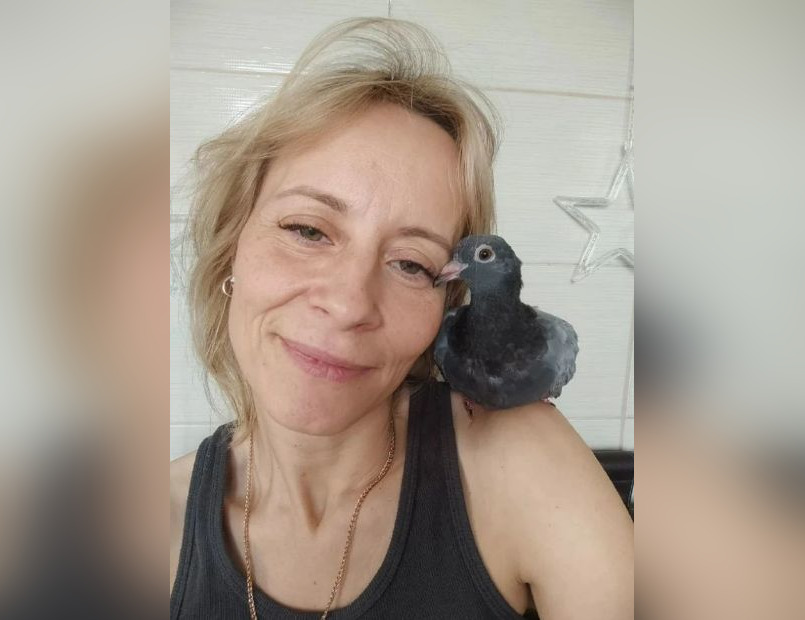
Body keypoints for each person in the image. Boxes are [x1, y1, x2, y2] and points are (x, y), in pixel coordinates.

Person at [170, 17, 633, 620]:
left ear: (446, 303)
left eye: (412, 264)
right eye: (307, 230)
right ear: (231, 247)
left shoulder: (520, 462)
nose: (349, 305)